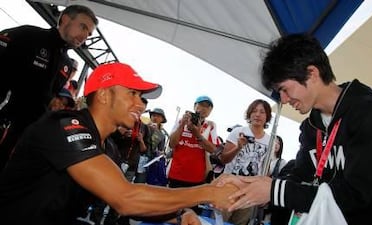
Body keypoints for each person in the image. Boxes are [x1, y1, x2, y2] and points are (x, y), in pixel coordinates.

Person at [0, 62, 237, 225]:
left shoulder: (108, 147)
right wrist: (207, 192)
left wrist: (180, 213)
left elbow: (133, 197)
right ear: (104, 95)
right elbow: (126, 198)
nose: (141, 105)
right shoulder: (64, 126)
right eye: (132, 94)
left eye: (141, 98)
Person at [216, 33, 372, 225]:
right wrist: (252, 185)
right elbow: (300, 174)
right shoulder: (311, 127)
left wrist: (274, 191)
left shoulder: (369, 111)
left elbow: (355, 195)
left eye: (285, 89)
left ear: (311, 74)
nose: (284, 100)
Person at [0, 5, 98, 170]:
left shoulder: (66, 64)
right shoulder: (28, 35)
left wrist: (55, 103)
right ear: (65, 19)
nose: (84, 36)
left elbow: (44, 95)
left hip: (25, 137)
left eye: (88, 34)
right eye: (83, 27)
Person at [219, 99, 272, 225]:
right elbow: (223, 159)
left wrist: (265, 191)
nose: (257, 115)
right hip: (228, 185)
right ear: (249, 114)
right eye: (254, 111)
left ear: (267, 117)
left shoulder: (270, 140)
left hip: (249, 191)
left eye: (262, 112)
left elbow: (265, 168)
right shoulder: (237, 132)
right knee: (219, 221)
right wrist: (238, 147)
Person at [168, 96, 220, 214]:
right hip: (176, 175)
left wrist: (197, 133)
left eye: (207, 107)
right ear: (194, 106)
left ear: (210, 111)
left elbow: (213, 150)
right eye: (201, 105)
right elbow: (172, 144)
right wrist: (182, 125)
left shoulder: (211, 126)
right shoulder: (181, 121)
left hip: (197, 179)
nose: (203, 109)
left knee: (191, 213)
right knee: (171, 211)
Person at [146, 107, 169, 186]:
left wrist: (161, 153)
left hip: (150, 162)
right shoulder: (143, 127)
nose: (155, 118)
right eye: (154, 115)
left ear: (162, 119)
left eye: (158, 116)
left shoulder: (162, 135)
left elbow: (160, 150)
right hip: (138, 158)